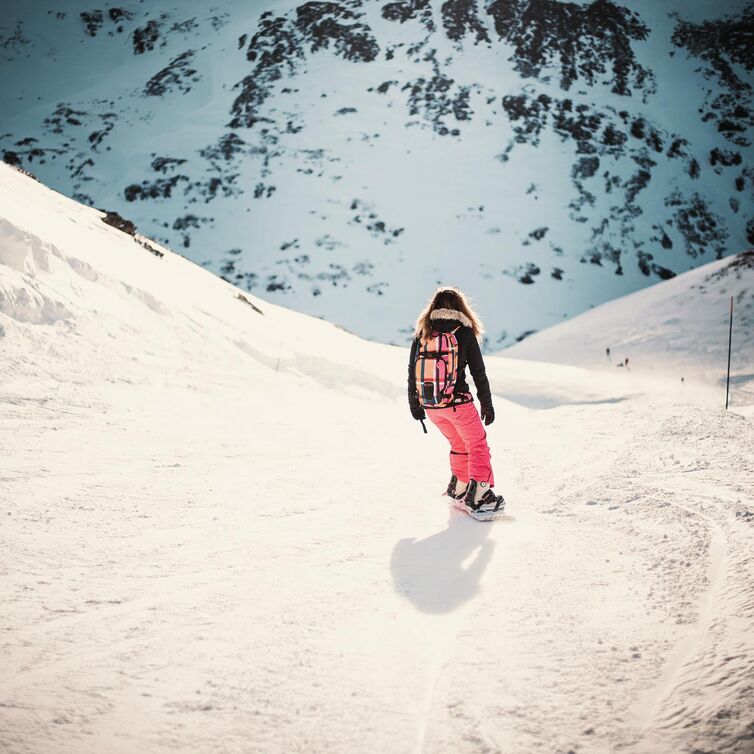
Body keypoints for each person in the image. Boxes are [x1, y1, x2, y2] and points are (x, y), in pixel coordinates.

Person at [407, 287, 503, 517]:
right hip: (457, 403)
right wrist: (486, 404)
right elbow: (479, 373)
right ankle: (480, 495)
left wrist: (415, 405)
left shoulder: (423, 332)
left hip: (432, 408)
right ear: (460, 307)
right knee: (477, 444)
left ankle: (459, 488)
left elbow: (412, 372)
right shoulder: (464, 332)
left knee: (460, 445)